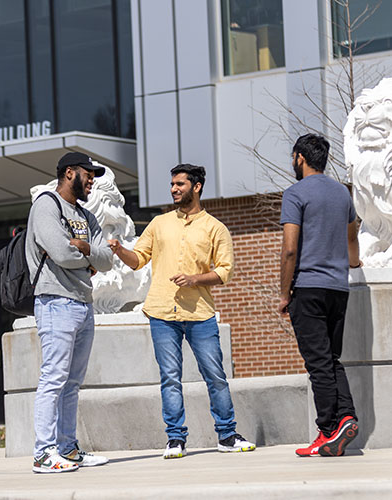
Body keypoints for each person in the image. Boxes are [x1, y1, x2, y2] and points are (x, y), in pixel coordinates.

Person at [109, 164, 256, 459]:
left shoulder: (216, 228)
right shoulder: (159, 223)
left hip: (200, 314)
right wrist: (118, 250)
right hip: (163, 313)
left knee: (215, 375)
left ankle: (227, 435)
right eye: (172, 184)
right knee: (170, 378)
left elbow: (224, 272)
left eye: (180, 184)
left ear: (197, 187)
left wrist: (195, 279)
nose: (174, 189)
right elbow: (138, 260)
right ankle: (175, 439)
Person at [26, 151, 114, 473]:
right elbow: (61, 252)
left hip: (83, 303)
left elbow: (106, 260)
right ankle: (43, 453)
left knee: (72, 382)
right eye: (88, 173)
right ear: (69, 173)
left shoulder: (86, 217)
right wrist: (85, 258)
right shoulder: (46, 205)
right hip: (55, 302)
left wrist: (88, 250)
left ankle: (67, 448)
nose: (92, 180)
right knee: (54, 378)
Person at [278, 134, 362, 457]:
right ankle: (346, 418)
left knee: (318, 364)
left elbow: (289, 249)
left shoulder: (295, 193)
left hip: (309, 288)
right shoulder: (342, 193)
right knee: (331, 359)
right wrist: (353, 261)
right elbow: (352, 233)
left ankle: (327, 430)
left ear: (299, 157)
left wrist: (284, 294)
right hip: (339, 289)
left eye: (293, 157)